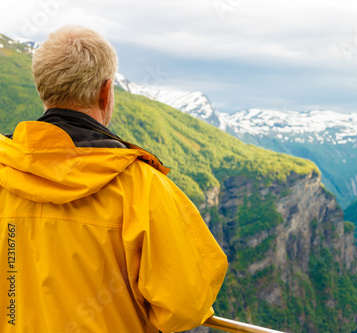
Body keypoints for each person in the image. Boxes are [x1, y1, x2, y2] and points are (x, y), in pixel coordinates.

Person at [0, 25, 228, 332]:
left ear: (43, 90)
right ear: (106, 92)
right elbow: (186, 306)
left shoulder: (5, 171)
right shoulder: (141, 187)